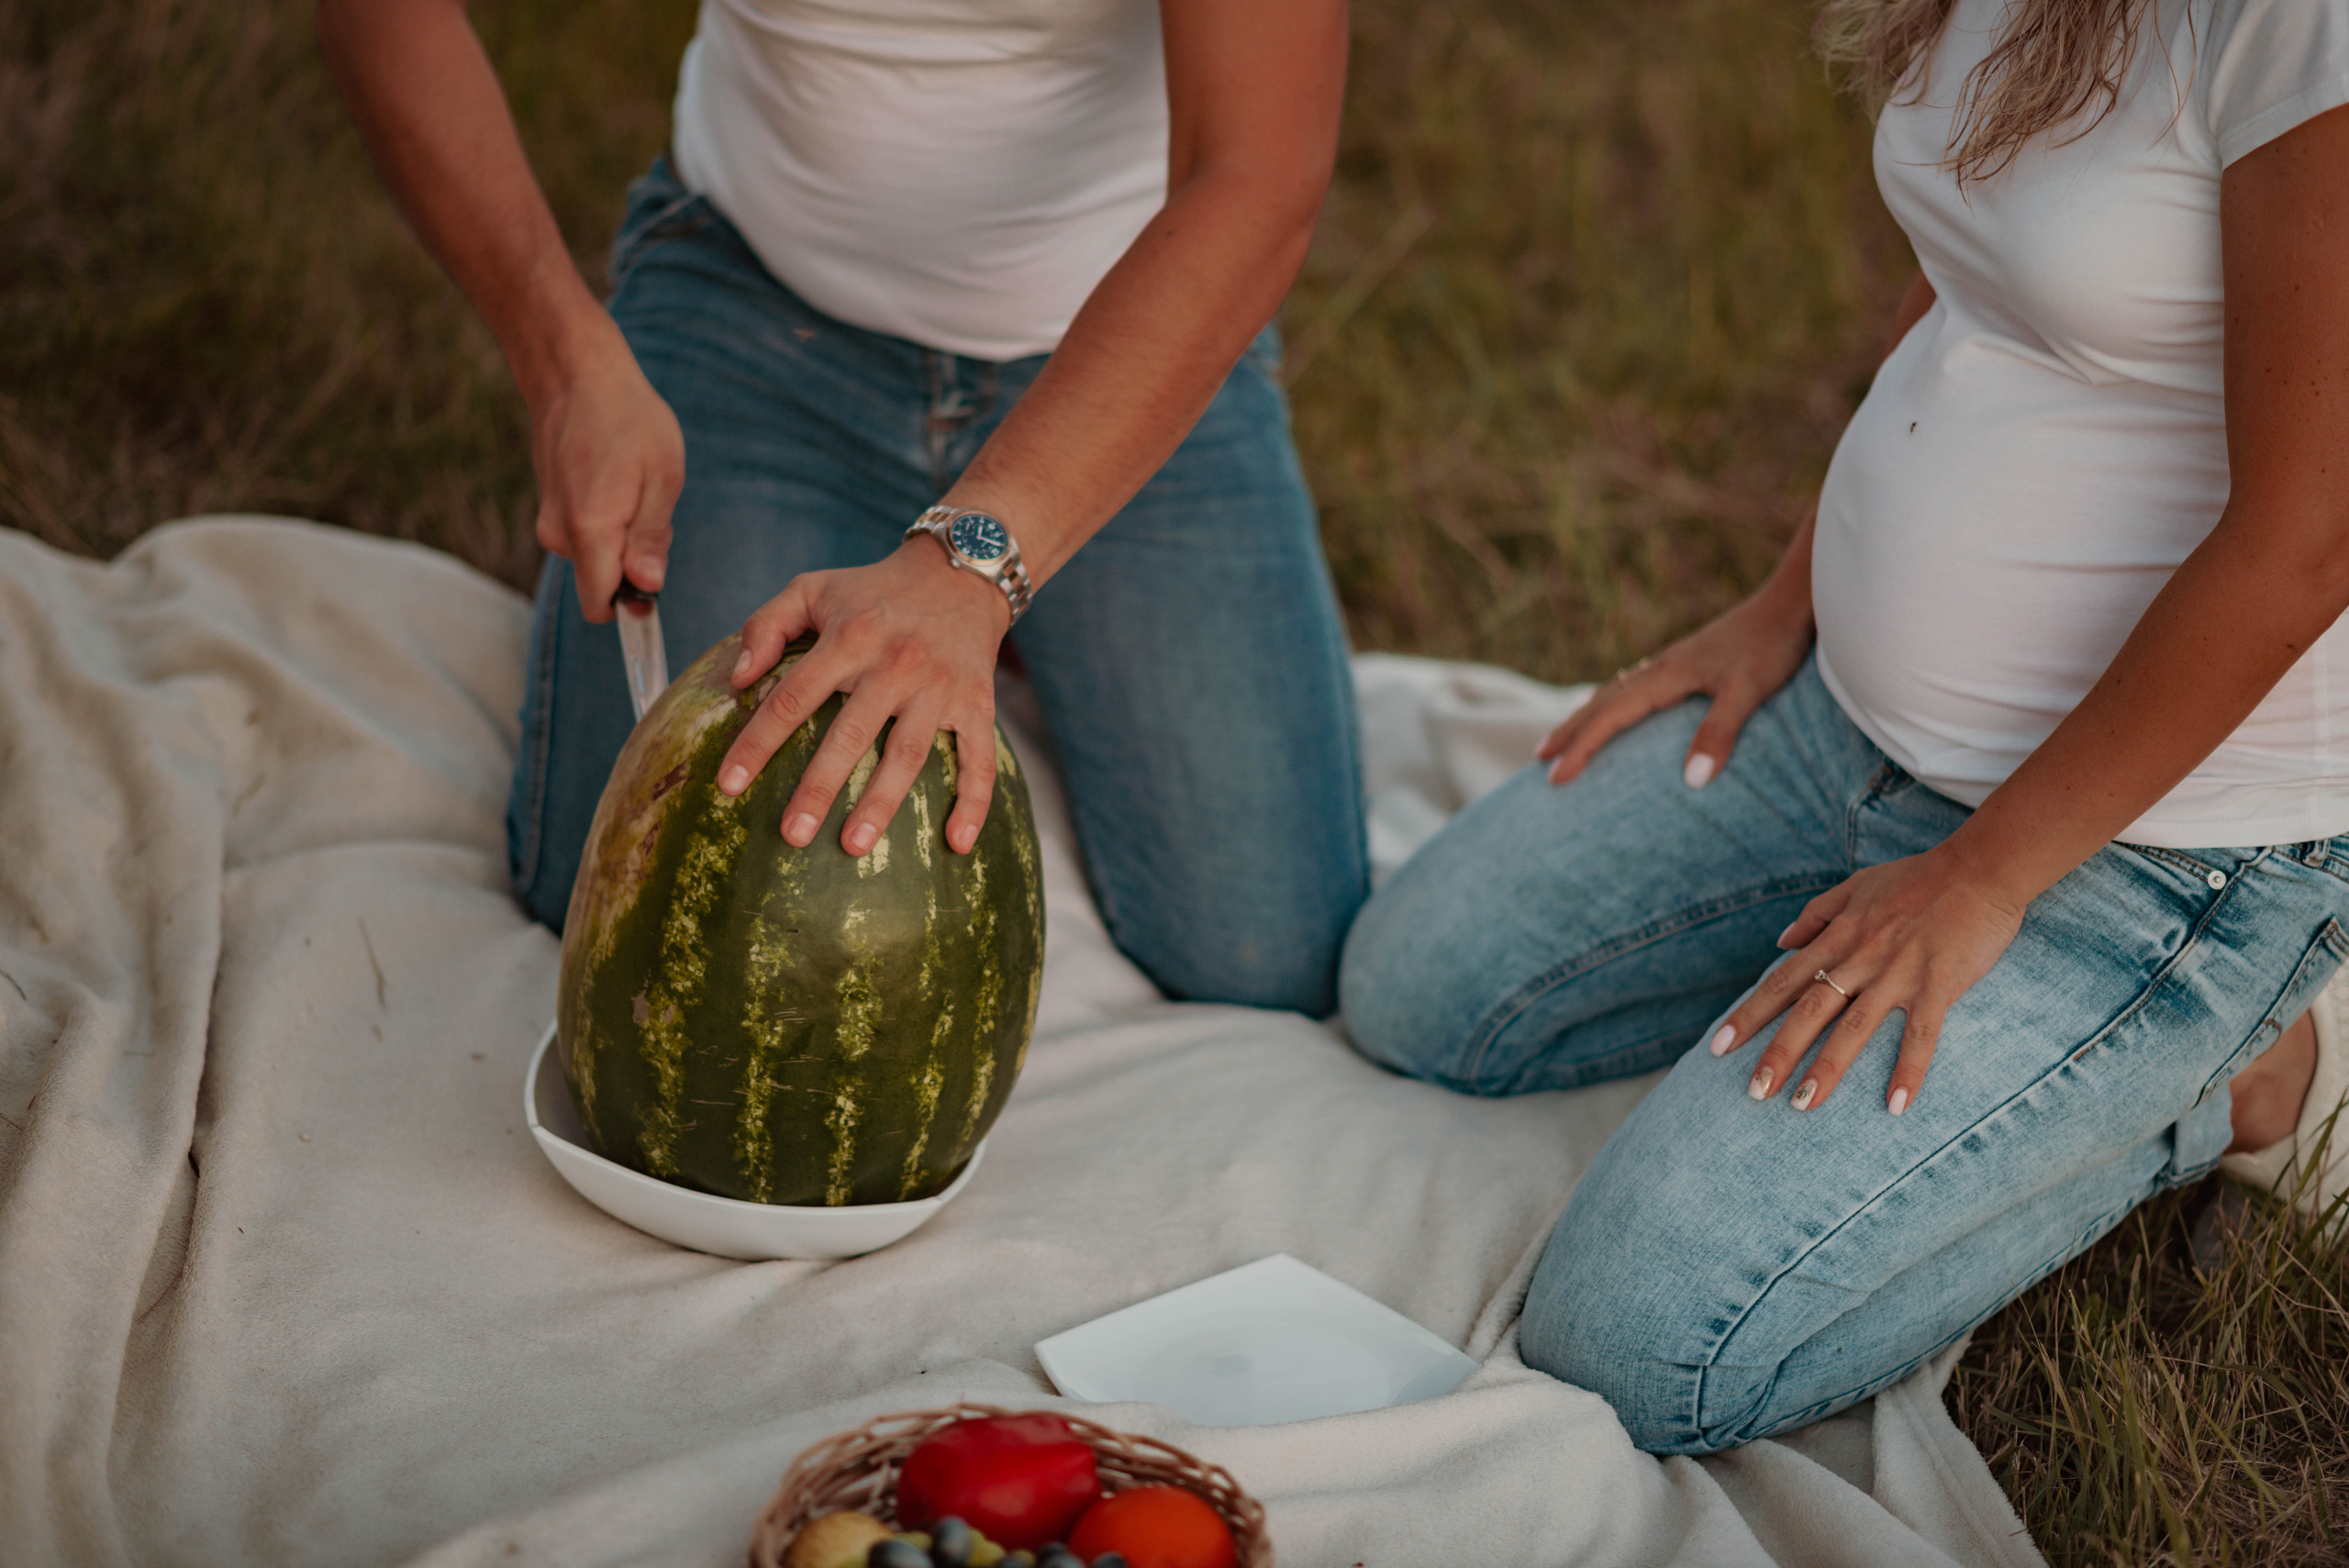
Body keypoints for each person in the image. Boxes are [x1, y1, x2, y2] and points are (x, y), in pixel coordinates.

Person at [1340, 0, 2349, 1453]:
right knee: (1421, 990)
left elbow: (2308, 542)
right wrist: (1782, 601)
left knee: (1637, 1345)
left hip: (2140, 854)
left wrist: (1983, 878)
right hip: (1846, 726)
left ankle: (2232, 1076)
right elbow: (1965, 289)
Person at [318, 0, 1367, 1014]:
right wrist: (560, 358)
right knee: (630, 902)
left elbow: (1260, 173)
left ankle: (998, 608)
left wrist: (969, 565)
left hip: (1126, 335)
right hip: (760, 305)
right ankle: (979, 605)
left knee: (1265, 953)